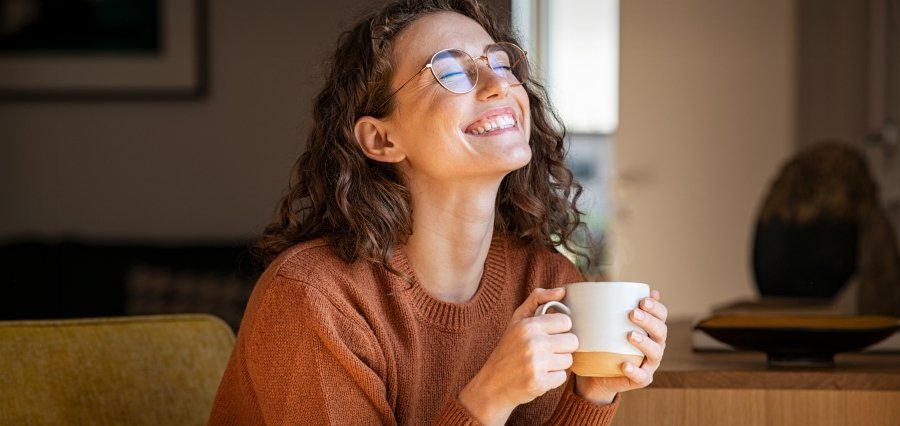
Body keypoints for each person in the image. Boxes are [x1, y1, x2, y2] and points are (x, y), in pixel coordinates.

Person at [209, 0, 668, 424]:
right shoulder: (316, 300)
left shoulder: (547, 280)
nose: (498, 86)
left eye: (500, 62)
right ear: (381, 140)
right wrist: (489, 397)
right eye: (450, 70)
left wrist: (592, 395)